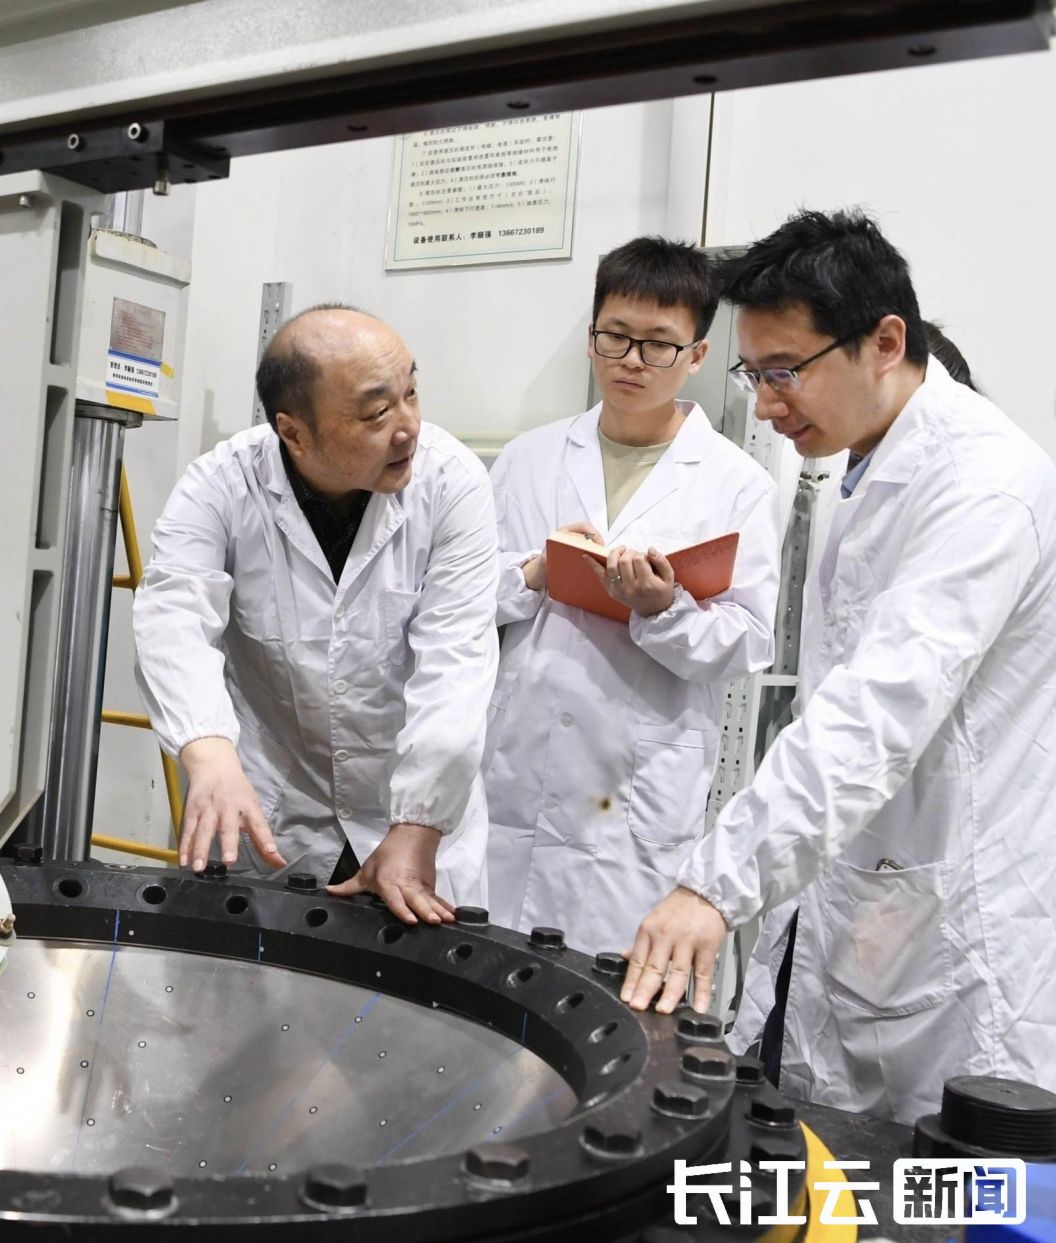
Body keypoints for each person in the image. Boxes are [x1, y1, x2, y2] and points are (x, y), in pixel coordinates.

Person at [622, 209, 1056, 1123]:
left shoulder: (986, 484)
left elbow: (877, 709)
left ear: (885, 342)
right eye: (754, 373)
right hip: (861, 902)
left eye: (786, 371)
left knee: (942, 1180)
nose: (767, 403)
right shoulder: (865, 470)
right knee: (817, 1165)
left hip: (954, 930)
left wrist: (714, 884)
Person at [133, 305, 498, 923]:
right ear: (295, 433)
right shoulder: (221, 485)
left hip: (411, 815)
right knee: (248, 974)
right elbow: (172, 617)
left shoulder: (451, 482)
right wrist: (208, 754)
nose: (409, 427)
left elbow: (456, 660)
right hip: (274, 813)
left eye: (411, 393)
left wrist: (419, 826)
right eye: (377, 413)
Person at [482, 237, 780, 956]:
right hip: (517, 769)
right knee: (490, 973)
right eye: (614, 336)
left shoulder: (736, 483)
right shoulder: (528, 458)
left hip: (636, 786)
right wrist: (534, 573)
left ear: (697, 356)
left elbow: (749, 640)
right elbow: (462, 596)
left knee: (607, 990)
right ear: (592, 335)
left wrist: (663, 609)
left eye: (658, 345)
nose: (632, 361)